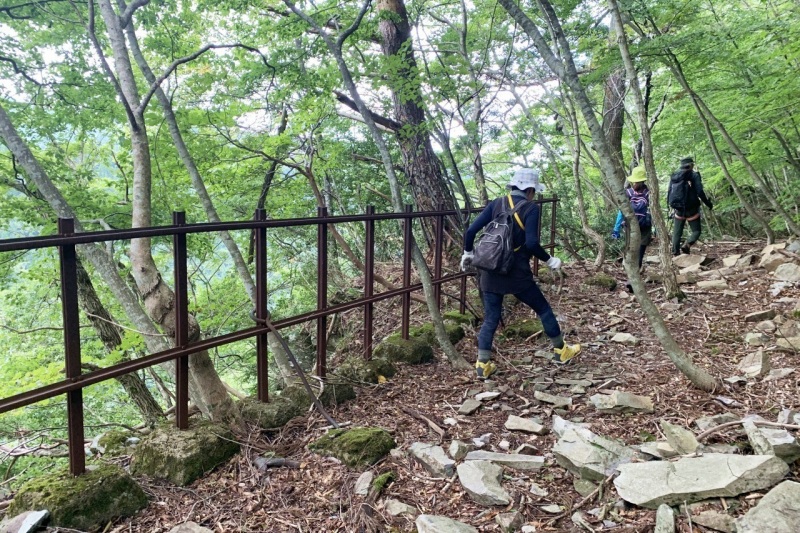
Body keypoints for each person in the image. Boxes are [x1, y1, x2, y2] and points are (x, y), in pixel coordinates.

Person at [460, 168, 581, 380]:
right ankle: (561, 351)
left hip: (489, 270)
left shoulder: (496, 203)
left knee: (491, 318)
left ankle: (482, 364)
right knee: (543, 309)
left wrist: (468, 253)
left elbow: (470, 232)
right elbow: (532, 243)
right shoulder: (530, 208)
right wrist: (550, 260)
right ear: (530, 190)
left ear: (514, 186)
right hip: (516, 274)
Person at [668, 157, 713, 256]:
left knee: (677, 233)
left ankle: (675, 253)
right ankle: (687, 244)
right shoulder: (694, 175)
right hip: (691, 208)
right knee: (696, 230)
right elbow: (700, 191)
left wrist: (670, 207)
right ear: (691, 165)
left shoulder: (675, 176)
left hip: (678, 208)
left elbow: (669, 192)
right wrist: (708, 203)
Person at [611, 166, 653, 271]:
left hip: (631, 225)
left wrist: (616, 228)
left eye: (636, 182)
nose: (634, 184)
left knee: (634, 249)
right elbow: (652, 211)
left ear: (641, 181)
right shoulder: (649, 193)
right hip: (641, 225)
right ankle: (633, 271)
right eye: (634, 182)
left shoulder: (628, 193)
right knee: (637, 249)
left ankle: (632, 272)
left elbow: (622, 212)